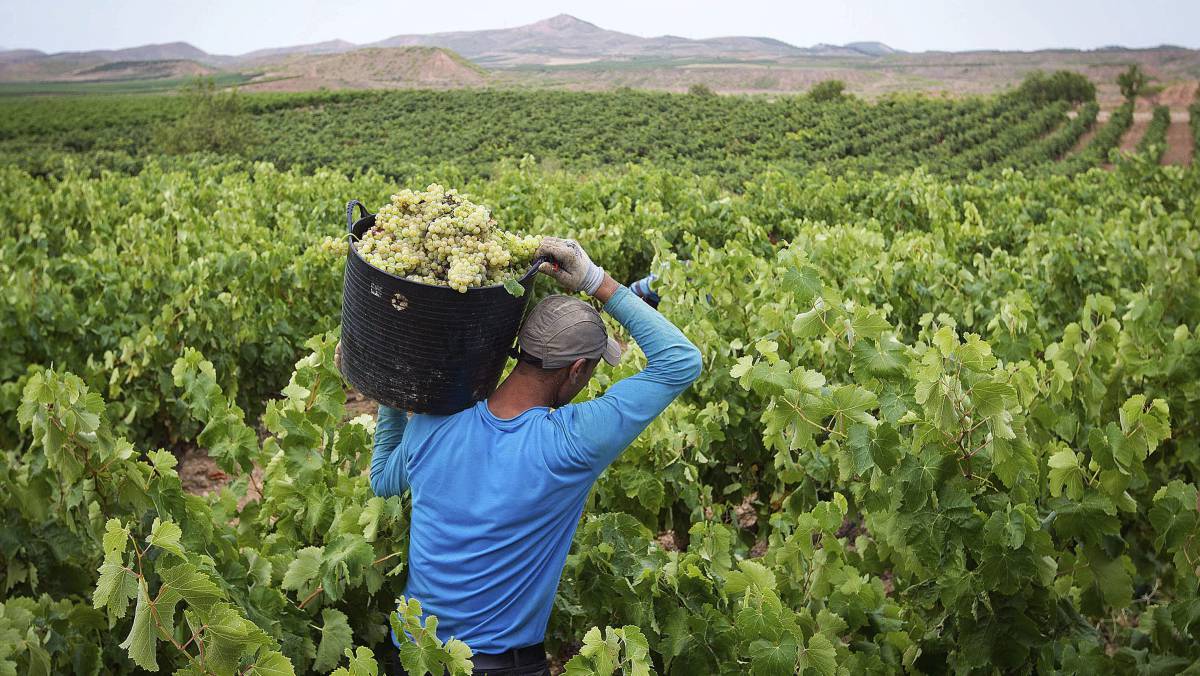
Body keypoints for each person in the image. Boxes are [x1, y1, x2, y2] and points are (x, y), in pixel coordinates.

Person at [363, 237, 702, 675]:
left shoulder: (435, 422)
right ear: (577, 369)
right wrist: (594, 280)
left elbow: (382, 480)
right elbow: (680, 361)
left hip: (412, 658)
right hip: (499, 667)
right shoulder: (570, 444)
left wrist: (389, 389)